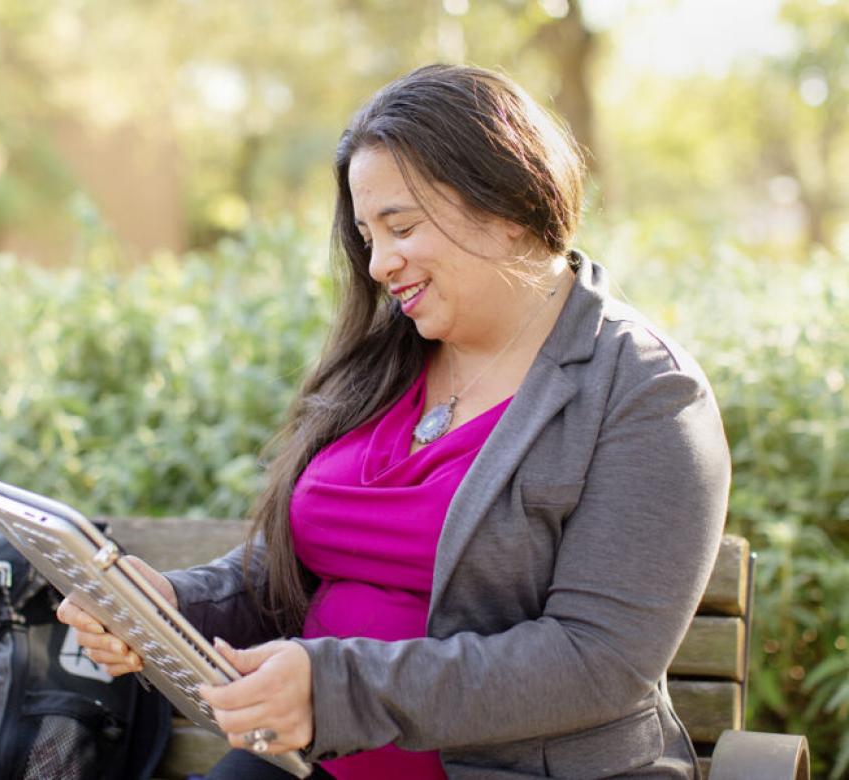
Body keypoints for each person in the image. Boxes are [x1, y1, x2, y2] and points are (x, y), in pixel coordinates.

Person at [58, 64, 730, 779]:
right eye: (366, 235)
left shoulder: (646, 393)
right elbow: (297, 570)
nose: (378, 264)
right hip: (303, 765)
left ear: (505, 203)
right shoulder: (387, 361)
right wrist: (170, 606)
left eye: (400, 226)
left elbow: (596, 662)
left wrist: (332, 688)